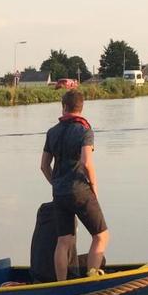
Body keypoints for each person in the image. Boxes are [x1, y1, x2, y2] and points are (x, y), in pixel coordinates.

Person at [40, 89, 109, 281]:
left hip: (59, 193)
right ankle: (92, 278)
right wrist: (93, 186)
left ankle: (61, 284)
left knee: (64, 241)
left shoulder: (52, 132)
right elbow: (87, 162)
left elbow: (44, 166)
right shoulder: (84, 130)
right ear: (81, 107)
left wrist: (56, 183)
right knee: (101, 236)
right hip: (80, 191)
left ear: (64, 107)